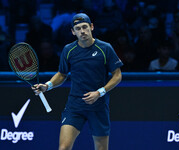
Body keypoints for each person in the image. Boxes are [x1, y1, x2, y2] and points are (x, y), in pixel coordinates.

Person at [32, 13, 123, 150]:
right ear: (73, 32)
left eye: (85, 27)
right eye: (78, 28)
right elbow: (62, 74)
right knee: (63, 148)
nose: (82, 31)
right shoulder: (68, 50)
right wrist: (47, 86)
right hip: (75, 106)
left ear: (91, 27)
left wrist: (99, 92)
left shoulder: (105, 48)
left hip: (98, 107)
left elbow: (117, 76)